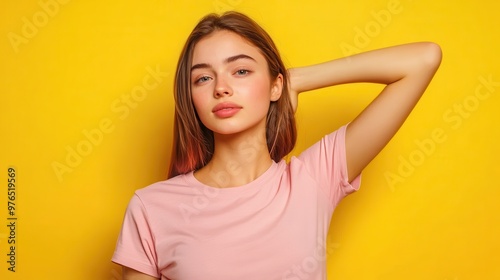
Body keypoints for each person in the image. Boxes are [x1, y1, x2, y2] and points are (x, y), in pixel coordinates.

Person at [112, 11, 442, 280]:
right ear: (191, 97)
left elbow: (423, 59)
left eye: (240, 70)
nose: (222, 88)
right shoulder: (151, 208)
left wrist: (296, 80)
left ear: (275, 85)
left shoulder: (314, 178)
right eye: (203, 78)